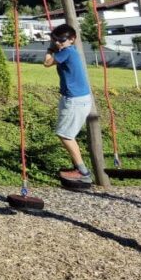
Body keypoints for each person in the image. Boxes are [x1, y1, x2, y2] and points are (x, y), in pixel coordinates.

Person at [43, 23, 93, 183]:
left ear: (72, 39)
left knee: (65, 135)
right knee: (66, 134)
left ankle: (83, 172)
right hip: (77, 98)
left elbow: (47, 63)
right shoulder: (70, 51)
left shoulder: (67, 52)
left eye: (61, 40)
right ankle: (78, 169)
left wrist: (50, 50)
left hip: (75, 100)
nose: (58, 43)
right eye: (55, 40)